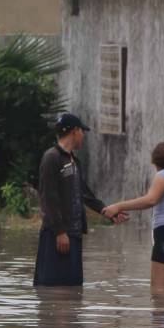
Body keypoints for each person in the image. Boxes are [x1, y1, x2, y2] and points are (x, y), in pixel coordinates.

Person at [34, 113, 123, 287]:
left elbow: (83, 192)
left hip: (74, 234)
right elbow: (48, 197)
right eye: (82, 131)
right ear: (75, 131)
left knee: (72, 288)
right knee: (53, 288)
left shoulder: (73, 161)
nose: (83, 136)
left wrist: (105, 210)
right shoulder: (52, 158)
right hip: (57, 235)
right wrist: (60, 232)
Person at [103, 142, 164, 288]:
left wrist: (118, 206)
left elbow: (151, 200)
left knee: (160, 293)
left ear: (156, 163)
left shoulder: (163, 175)